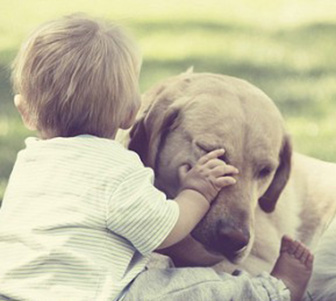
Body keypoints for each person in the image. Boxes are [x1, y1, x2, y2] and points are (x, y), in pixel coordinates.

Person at [0, 14, 313, 301]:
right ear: (129, 115)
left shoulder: (27, 165)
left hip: (14, 287)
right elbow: (162, 230)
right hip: (99, 294)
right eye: (208, 150)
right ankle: (275, 291)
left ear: (24, 110)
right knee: (199, 288)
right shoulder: (118, 170)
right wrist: (196, 192)